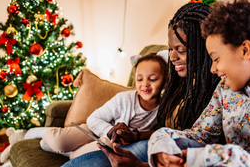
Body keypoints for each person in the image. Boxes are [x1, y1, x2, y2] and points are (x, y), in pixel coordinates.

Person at [62, 2, 220, 167]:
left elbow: (196, 144)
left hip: (174, 155)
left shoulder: (218, 87)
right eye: (170, 49)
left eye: (180, 50)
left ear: (202, 48)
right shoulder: (175, 72)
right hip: (151, 144)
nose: (172, 57)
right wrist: (136, 135)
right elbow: (163, 128)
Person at [148, 0, 250, 166]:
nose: (212, 69)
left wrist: (220, 156)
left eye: (216, 59)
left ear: (245, 50)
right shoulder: (225, 87)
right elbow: (200, 135)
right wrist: (160, 141)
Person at [26, 53, 168, 160]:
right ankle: (39, 132)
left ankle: (58, 148)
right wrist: (110, 132)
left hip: (112, 143)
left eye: (153, 79)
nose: (145, 84)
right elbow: (93, 119)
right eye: (140, 79)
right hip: (96, 128)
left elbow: (159, 130)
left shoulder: (164, 108)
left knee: (77, 157)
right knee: (58, 141)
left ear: (165, 82)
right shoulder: (124, 99)